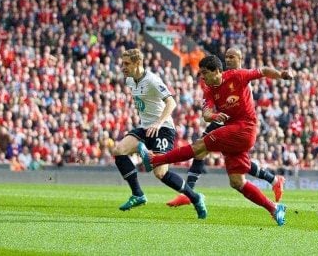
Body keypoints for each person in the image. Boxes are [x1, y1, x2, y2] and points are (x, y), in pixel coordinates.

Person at [138, 49, 291, 226]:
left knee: (199, 146)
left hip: (245, 127)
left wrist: (281, 75)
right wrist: (213, 116)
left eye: (205, 73)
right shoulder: (209, 89)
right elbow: (206, 112)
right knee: (237, 181)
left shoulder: (237, 76)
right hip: (231, 129)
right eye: (201, 74)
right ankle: (274, 208)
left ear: (217, 71)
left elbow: (263, 71)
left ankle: (156, 159)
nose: (202, 77)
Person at [166, 52, 286, 207]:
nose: (228, 59)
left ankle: (188, 192)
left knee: (204, 149)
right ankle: (274, 180)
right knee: (213, 152)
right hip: (223, 120)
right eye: (227, 57)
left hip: (238, 124)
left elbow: (262, 73)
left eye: (232, 57)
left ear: (240, 59)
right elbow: (209, 106)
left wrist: (280, 75)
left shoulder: (241, 76)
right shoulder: (221, 78)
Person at [112, 48, 207, 219]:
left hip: (163, 129)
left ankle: (195, 197)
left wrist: (158, 122)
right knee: (119, 150)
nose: (123, 67)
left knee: (160, 173)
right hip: (145, 128)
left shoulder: (153, 81)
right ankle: (138, 194)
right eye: (122, 63)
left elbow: (171, 103)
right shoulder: (130, 81)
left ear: (137, 63)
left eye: (127, 64)